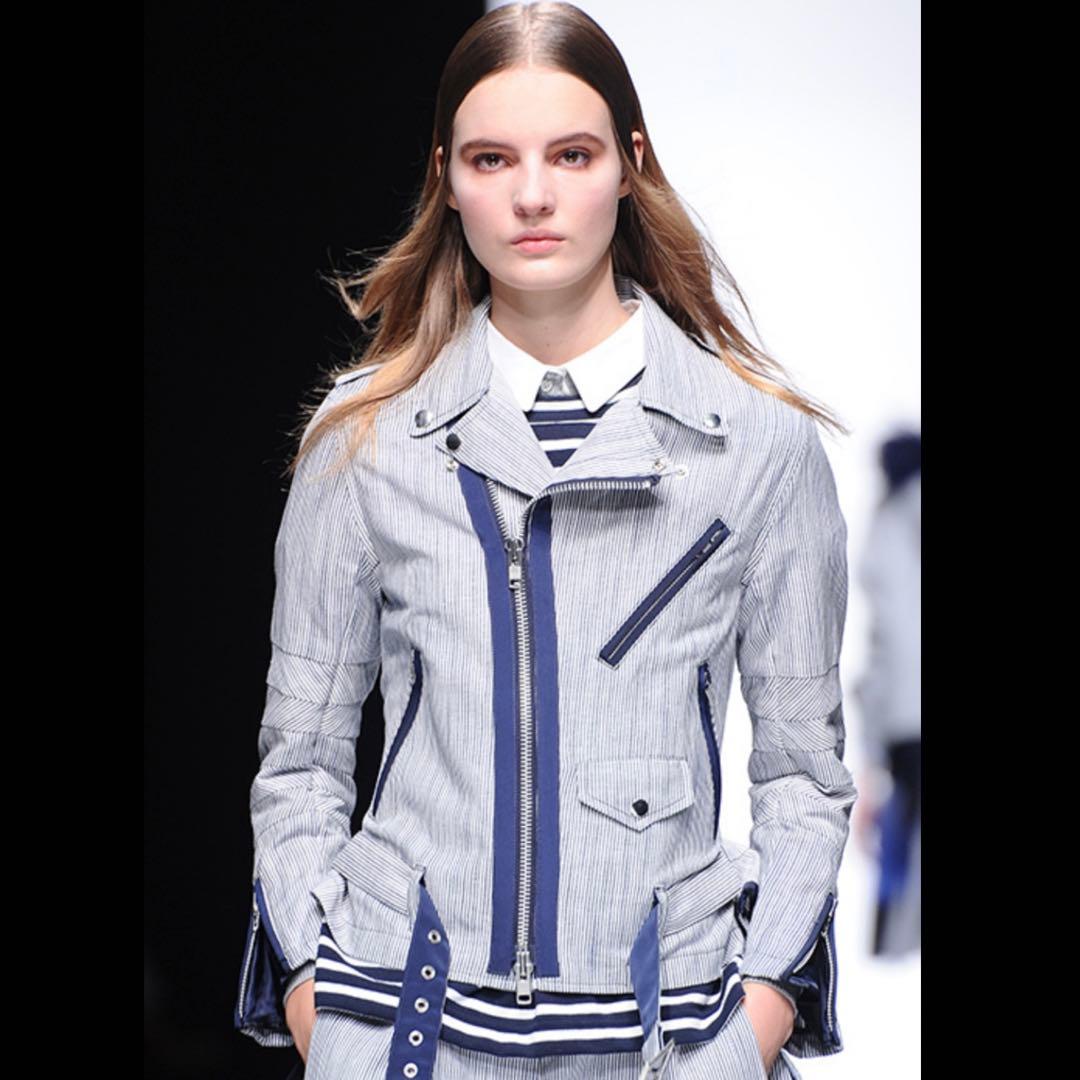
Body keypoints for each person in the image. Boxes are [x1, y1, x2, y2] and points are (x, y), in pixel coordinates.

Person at [232, 4, 858, 1078]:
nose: (532, 195)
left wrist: (749, 1031)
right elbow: (300, 763)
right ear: (446, 178)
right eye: (492, 159)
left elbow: (805, 777)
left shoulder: (757, 448)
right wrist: (320, 1015)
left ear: (630, 165)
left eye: (571, 154)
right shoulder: (365, 443)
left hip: (667, 1037)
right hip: (407, 1028)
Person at [852, 433, 921, 959]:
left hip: (906, 722)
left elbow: (889, 645)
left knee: (903, 880)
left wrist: (872, 749)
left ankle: (895, 959)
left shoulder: (892, 526)